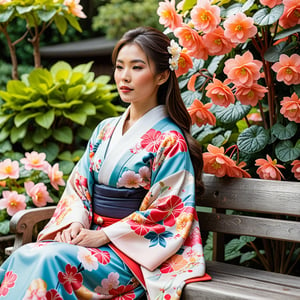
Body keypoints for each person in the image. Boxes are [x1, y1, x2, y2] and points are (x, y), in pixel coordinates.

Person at [0, 26, 207, 299]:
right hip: (91, 240)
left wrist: (106, 236)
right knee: (26, 255)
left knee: (49, 260)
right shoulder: (105, 129)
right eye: (119, 67)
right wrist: (75, 221)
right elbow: (79, 186)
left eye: (136, 67)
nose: (124, 76)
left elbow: (167, 212)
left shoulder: (170, 141)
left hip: (131, 255)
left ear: (162, 75)